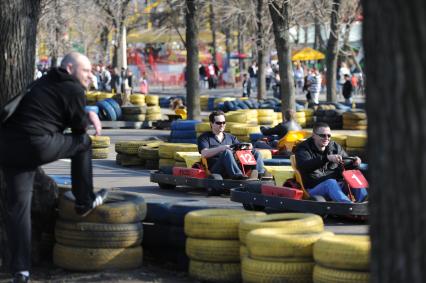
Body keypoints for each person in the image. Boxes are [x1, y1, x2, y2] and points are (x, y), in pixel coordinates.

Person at [0, 52, 109, 283]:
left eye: (91, 71)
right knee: (84, 143)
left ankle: (20, 270)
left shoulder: (41, 82)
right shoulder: (73, 88)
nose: (91, 76)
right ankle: (84, 200)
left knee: (18, 208)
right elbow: (79, 130)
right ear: (70, 69)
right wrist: (89, 113)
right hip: (37, 143)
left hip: (9, 147)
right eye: (86, 71)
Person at [294, 122, 368, 203]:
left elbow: (346, 165)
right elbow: (304, 166)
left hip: (336, 186)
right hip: (314, 188)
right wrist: (326, 158)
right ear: (313, 135)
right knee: (330, 182)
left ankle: (365, 202)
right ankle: (348, 206)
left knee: (353, 175)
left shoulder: (335, 147)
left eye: (329, 135)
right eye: (323, 135)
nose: (326, 138)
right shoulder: (303, 148)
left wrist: (354, 163)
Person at [197, 110, 266, 180]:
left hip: (232, 166)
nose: (222, 125)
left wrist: (248, 147)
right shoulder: (204, 137)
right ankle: (238, 175)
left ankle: (260, 174)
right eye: (218, 123)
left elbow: (239, 149)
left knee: (255, 152)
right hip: (216, 169)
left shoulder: (231, 137)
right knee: (227, 152)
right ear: (211, 123)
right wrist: (222, 148)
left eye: (224, 123)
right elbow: (204, 154)